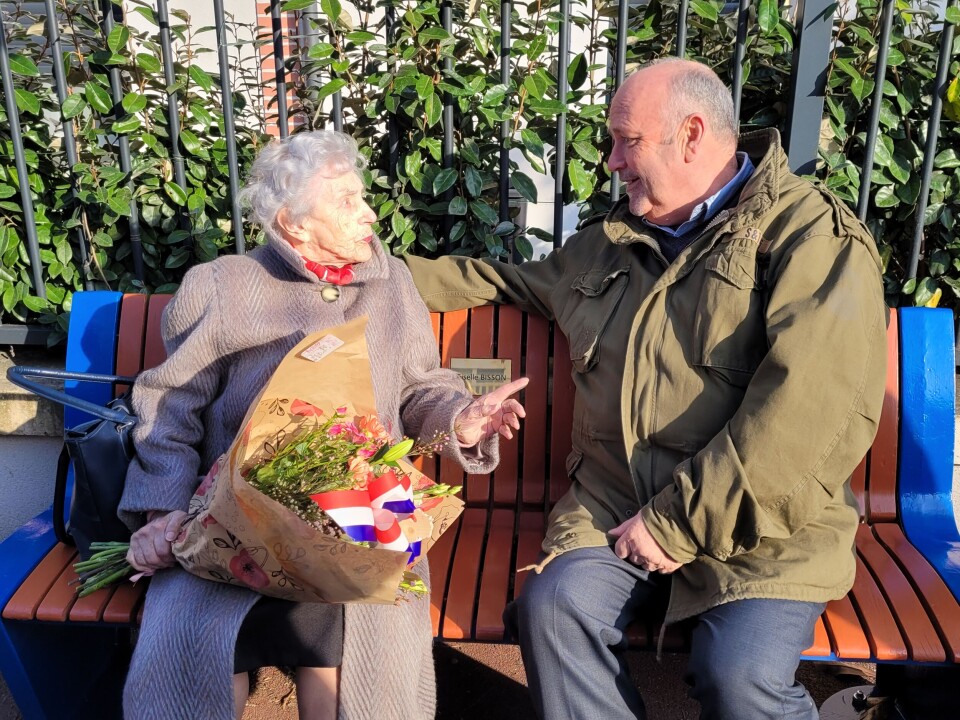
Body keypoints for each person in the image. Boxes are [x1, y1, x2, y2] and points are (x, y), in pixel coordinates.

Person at [403, 57, 888, 719]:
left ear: (691, 136)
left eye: (625, 140)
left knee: (739, 677)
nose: (610, 161)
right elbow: (503, 283)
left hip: (762, 533)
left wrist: (674, 523)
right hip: (612, 504)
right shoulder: (608, 246)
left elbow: (807, 419)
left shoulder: (809, 239)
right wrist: (359, 271)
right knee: (554, 609)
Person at [118, 129, 528, 720]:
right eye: (346, 201)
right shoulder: (226, 286)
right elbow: (169, 408)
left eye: (363, 197)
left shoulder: (391, 288)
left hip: (360, 520)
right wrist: (165, 512)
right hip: (226, 519)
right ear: (293, 222)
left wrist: (461, 420)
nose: (368, 215)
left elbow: (421, 391)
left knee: (351, 633)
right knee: (202, 642)